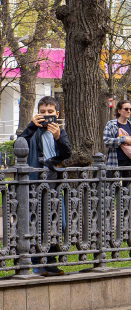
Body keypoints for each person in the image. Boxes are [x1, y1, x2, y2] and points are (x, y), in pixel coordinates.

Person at [21, 96, 71, 275]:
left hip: (55, 183)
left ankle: (51, 260)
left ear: (57, 114)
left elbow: (66, 153)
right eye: (43, 112)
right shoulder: (33, 132)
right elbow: (19, 145)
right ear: (37, 113)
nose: (47, 115)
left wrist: (58, 137)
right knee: (37, 222)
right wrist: (31, 126)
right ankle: (37, 261)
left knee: (60, 223)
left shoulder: (60, 132)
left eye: (50, 112)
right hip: (36, 183)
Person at [103, 98, 131, 178]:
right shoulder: (111, 124)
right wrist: (123, 140)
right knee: (113, 188)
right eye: (126, 109)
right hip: (115, 162)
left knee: (130, 188)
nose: (129, 111)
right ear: (119, 111)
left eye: (130, 109)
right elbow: (107, 141)